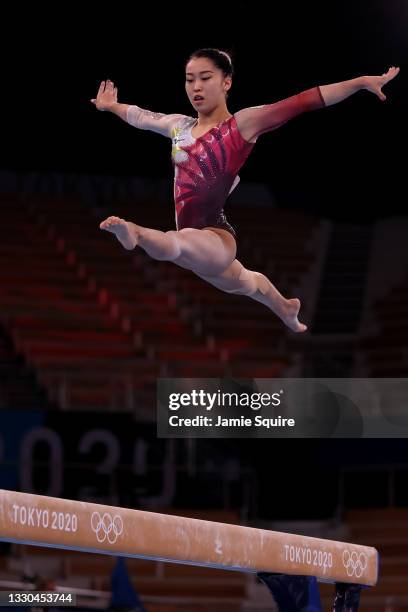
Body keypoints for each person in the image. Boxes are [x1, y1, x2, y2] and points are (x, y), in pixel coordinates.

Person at [91, 49, 399, 332]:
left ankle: (136, 233)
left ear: (226, 82)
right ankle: (286, 308)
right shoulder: (178, 126)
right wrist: (111, 106)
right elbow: (141, 117)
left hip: (215, 235)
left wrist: (359, 82)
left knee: (179, 245)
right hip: (201, 244)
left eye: (205, 78)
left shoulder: (242, 125)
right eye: (189, 80)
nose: (196, 87)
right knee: (243, 282)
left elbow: (303, 101)